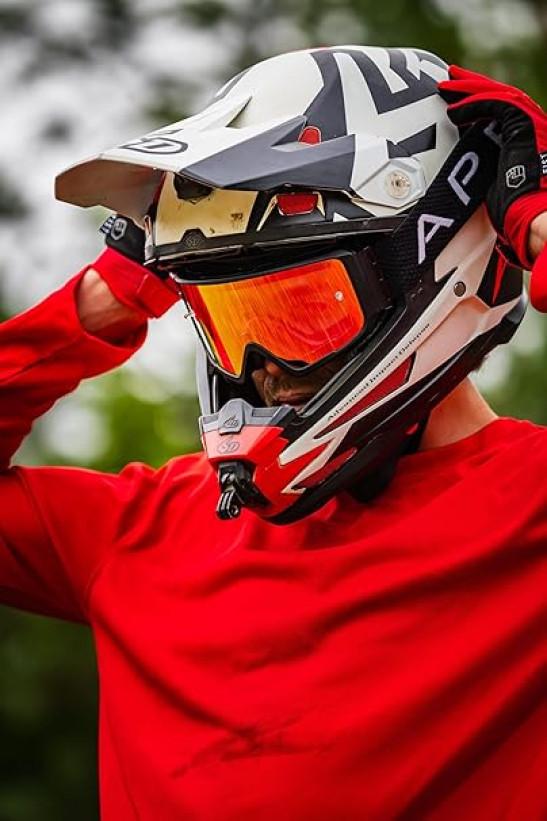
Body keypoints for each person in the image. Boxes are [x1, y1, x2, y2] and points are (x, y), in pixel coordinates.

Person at [1, 47, 546, 819]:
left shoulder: (530, 506)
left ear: (423, 266)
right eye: (230, 319)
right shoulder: (137, 531)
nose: (261, 367)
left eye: (300, 310)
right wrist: (102, 299)